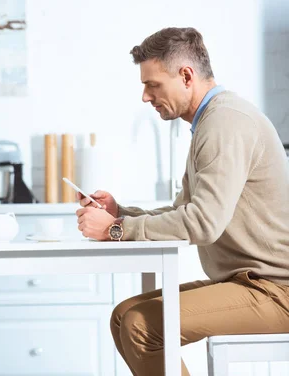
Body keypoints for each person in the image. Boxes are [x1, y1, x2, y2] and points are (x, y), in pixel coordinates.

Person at [75, 27, 289, 376]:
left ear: (186, 76)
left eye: (153, 84)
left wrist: (116, 229)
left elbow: (202, 224)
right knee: (122, 317)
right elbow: (184, 212)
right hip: (247, 282)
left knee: (139, 325)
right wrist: (120, 213)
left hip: (277, 291)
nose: (145, 96)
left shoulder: (225, 122)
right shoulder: (211, 121)